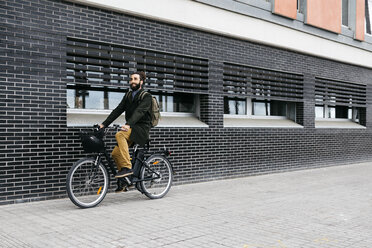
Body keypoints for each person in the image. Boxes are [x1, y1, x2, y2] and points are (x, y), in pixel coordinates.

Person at [99, 71, 152, 192]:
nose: (132, 81)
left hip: (141, 129)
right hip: (131, 128)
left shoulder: (146, 96)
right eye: (131, 79)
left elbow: (140, 112)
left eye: (135, 79)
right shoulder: (128, 95)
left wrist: (128, 124)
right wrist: (104, 124)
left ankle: (127, 168)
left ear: (141, 82)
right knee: (115, 153)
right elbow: (118, 110)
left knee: (120, 134)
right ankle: (125, 181)